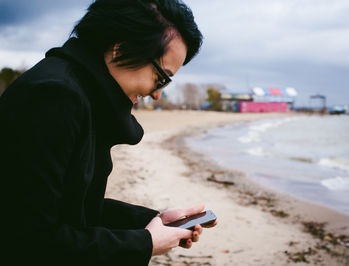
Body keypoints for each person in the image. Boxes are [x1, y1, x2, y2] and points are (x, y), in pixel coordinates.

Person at [0, 0, 216, 265]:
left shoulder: (83, 95)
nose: (158, 94)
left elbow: (75, 209)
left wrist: (152, 221)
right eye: (160, 78)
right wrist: (145, 243)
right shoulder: (53, 96)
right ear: (120, 49)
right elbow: (30, 238)